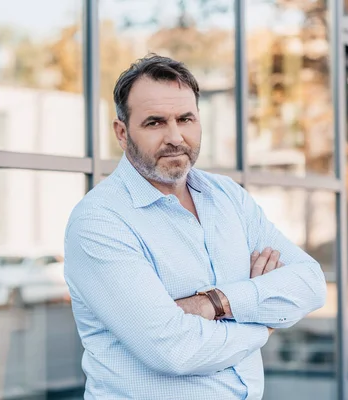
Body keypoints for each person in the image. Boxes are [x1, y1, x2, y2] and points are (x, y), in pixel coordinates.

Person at [63, 54, 327, 399]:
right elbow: (175, 349)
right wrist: (265, 318)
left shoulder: (229, 197)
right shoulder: (100, 221)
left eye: (185, 119)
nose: (175, 137)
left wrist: (215, 303)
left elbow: (311, 283)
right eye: (155, 123)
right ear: (122, 132)